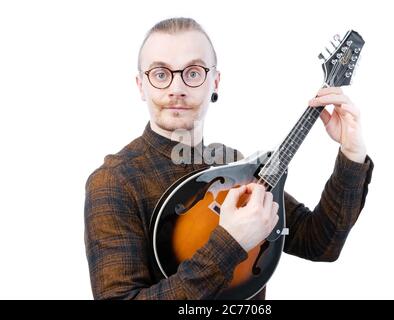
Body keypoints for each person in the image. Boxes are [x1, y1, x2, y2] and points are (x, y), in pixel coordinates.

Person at [84, 17, 374, 300]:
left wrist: (352, 153)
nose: (177, 89)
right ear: (140, 86)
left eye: (193, 72)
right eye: (161, 74)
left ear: (215, 82)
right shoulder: (114, 182)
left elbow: (320, 243)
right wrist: (230, 243)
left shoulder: (234, 166)